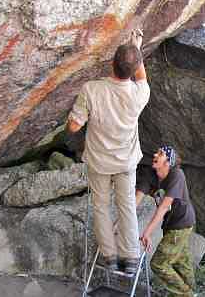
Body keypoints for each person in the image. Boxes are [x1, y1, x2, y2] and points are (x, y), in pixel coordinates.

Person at [67, 29, 150, 274]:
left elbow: (73, 126)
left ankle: (109, 256)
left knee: (101, 207)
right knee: (127, 208)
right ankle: (131, 258)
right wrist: (136, 47)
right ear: (133, 70)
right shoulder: (139, 93)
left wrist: (71, 121)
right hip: (125, 162)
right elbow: (141, 74)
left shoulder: (91, 89)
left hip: (99, 162)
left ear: (111, 62)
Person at [137, 145, 196, 297]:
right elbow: (135, 200)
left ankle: (186, 294)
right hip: (170, 225)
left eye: (161, 153)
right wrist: (119, 222)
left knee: (158, 263)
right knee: (180, 262)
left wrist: (147, 233)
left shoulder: (177, 174)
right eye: (156, 151)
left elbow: (163, 207)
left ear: (168, 162)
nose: (155, 154)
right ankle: (193, 291)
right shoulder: (150, 174)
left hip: (182, 223)